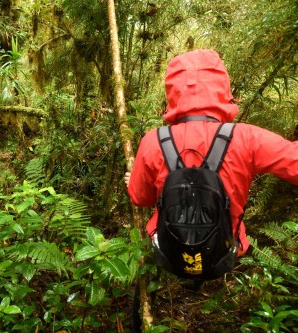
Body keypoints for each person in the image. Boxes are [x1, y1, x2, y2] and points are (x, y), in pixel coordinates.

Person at [124, 49, 298, 260]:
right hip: (223, 250)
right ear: (222, 88)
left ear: (172, 92)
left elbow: (140, 198)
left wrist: (133, 181)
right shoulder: (247, 138)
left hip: (170, 250)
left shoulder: (153, 141)